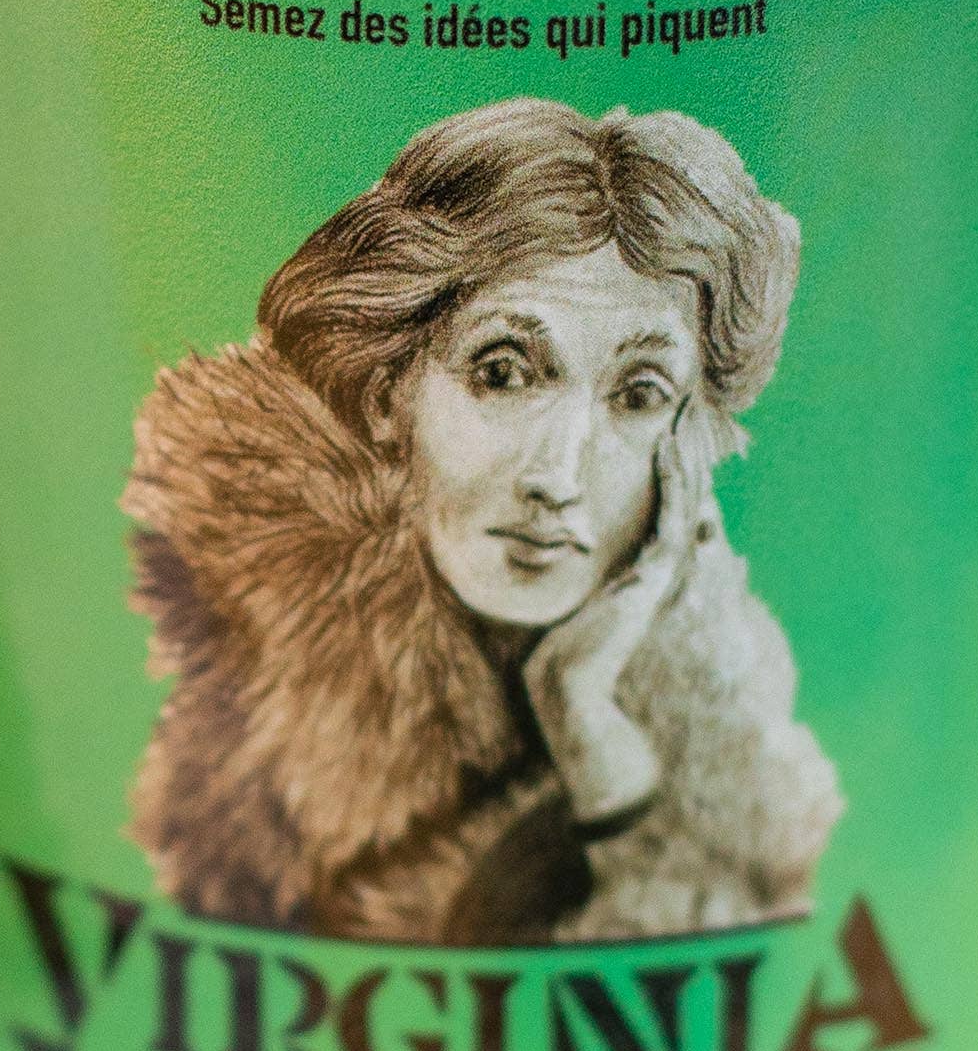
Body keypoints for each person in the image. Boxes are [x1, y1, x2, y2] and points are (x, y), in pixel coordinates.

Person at [121, 96, 842, 943]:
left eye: (638, 395)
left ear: (687, 445)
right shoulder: (260, 688)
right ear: (388, 392)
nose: (557, 476)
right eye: (503, 374)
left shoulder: (721, 713)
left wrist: (592, 729)